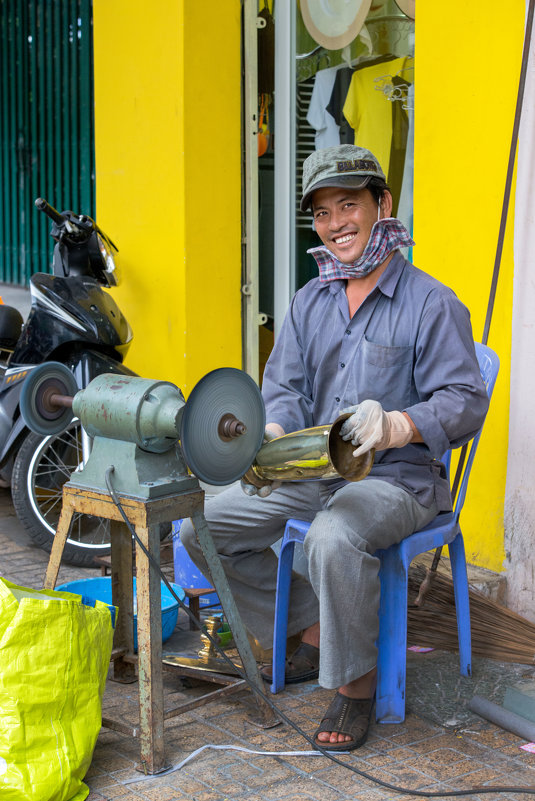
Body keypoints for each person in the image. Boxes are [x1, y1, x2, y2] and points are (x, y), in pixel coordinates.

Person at [180, 144, 489, 751]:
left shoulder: (431, 302)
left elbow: (466, 400)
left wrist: (399, 424)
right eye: (322, 213)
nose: (336, 223)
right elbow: (286, 387)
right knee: (200, 527)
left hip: (399, 478)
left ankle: (356, 687)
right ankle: (311, 625)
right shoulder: (310, 300)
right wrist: (273, 434)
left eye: (350, 204)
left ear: (384, 205)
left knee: (331, 536)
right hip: (316, 469)